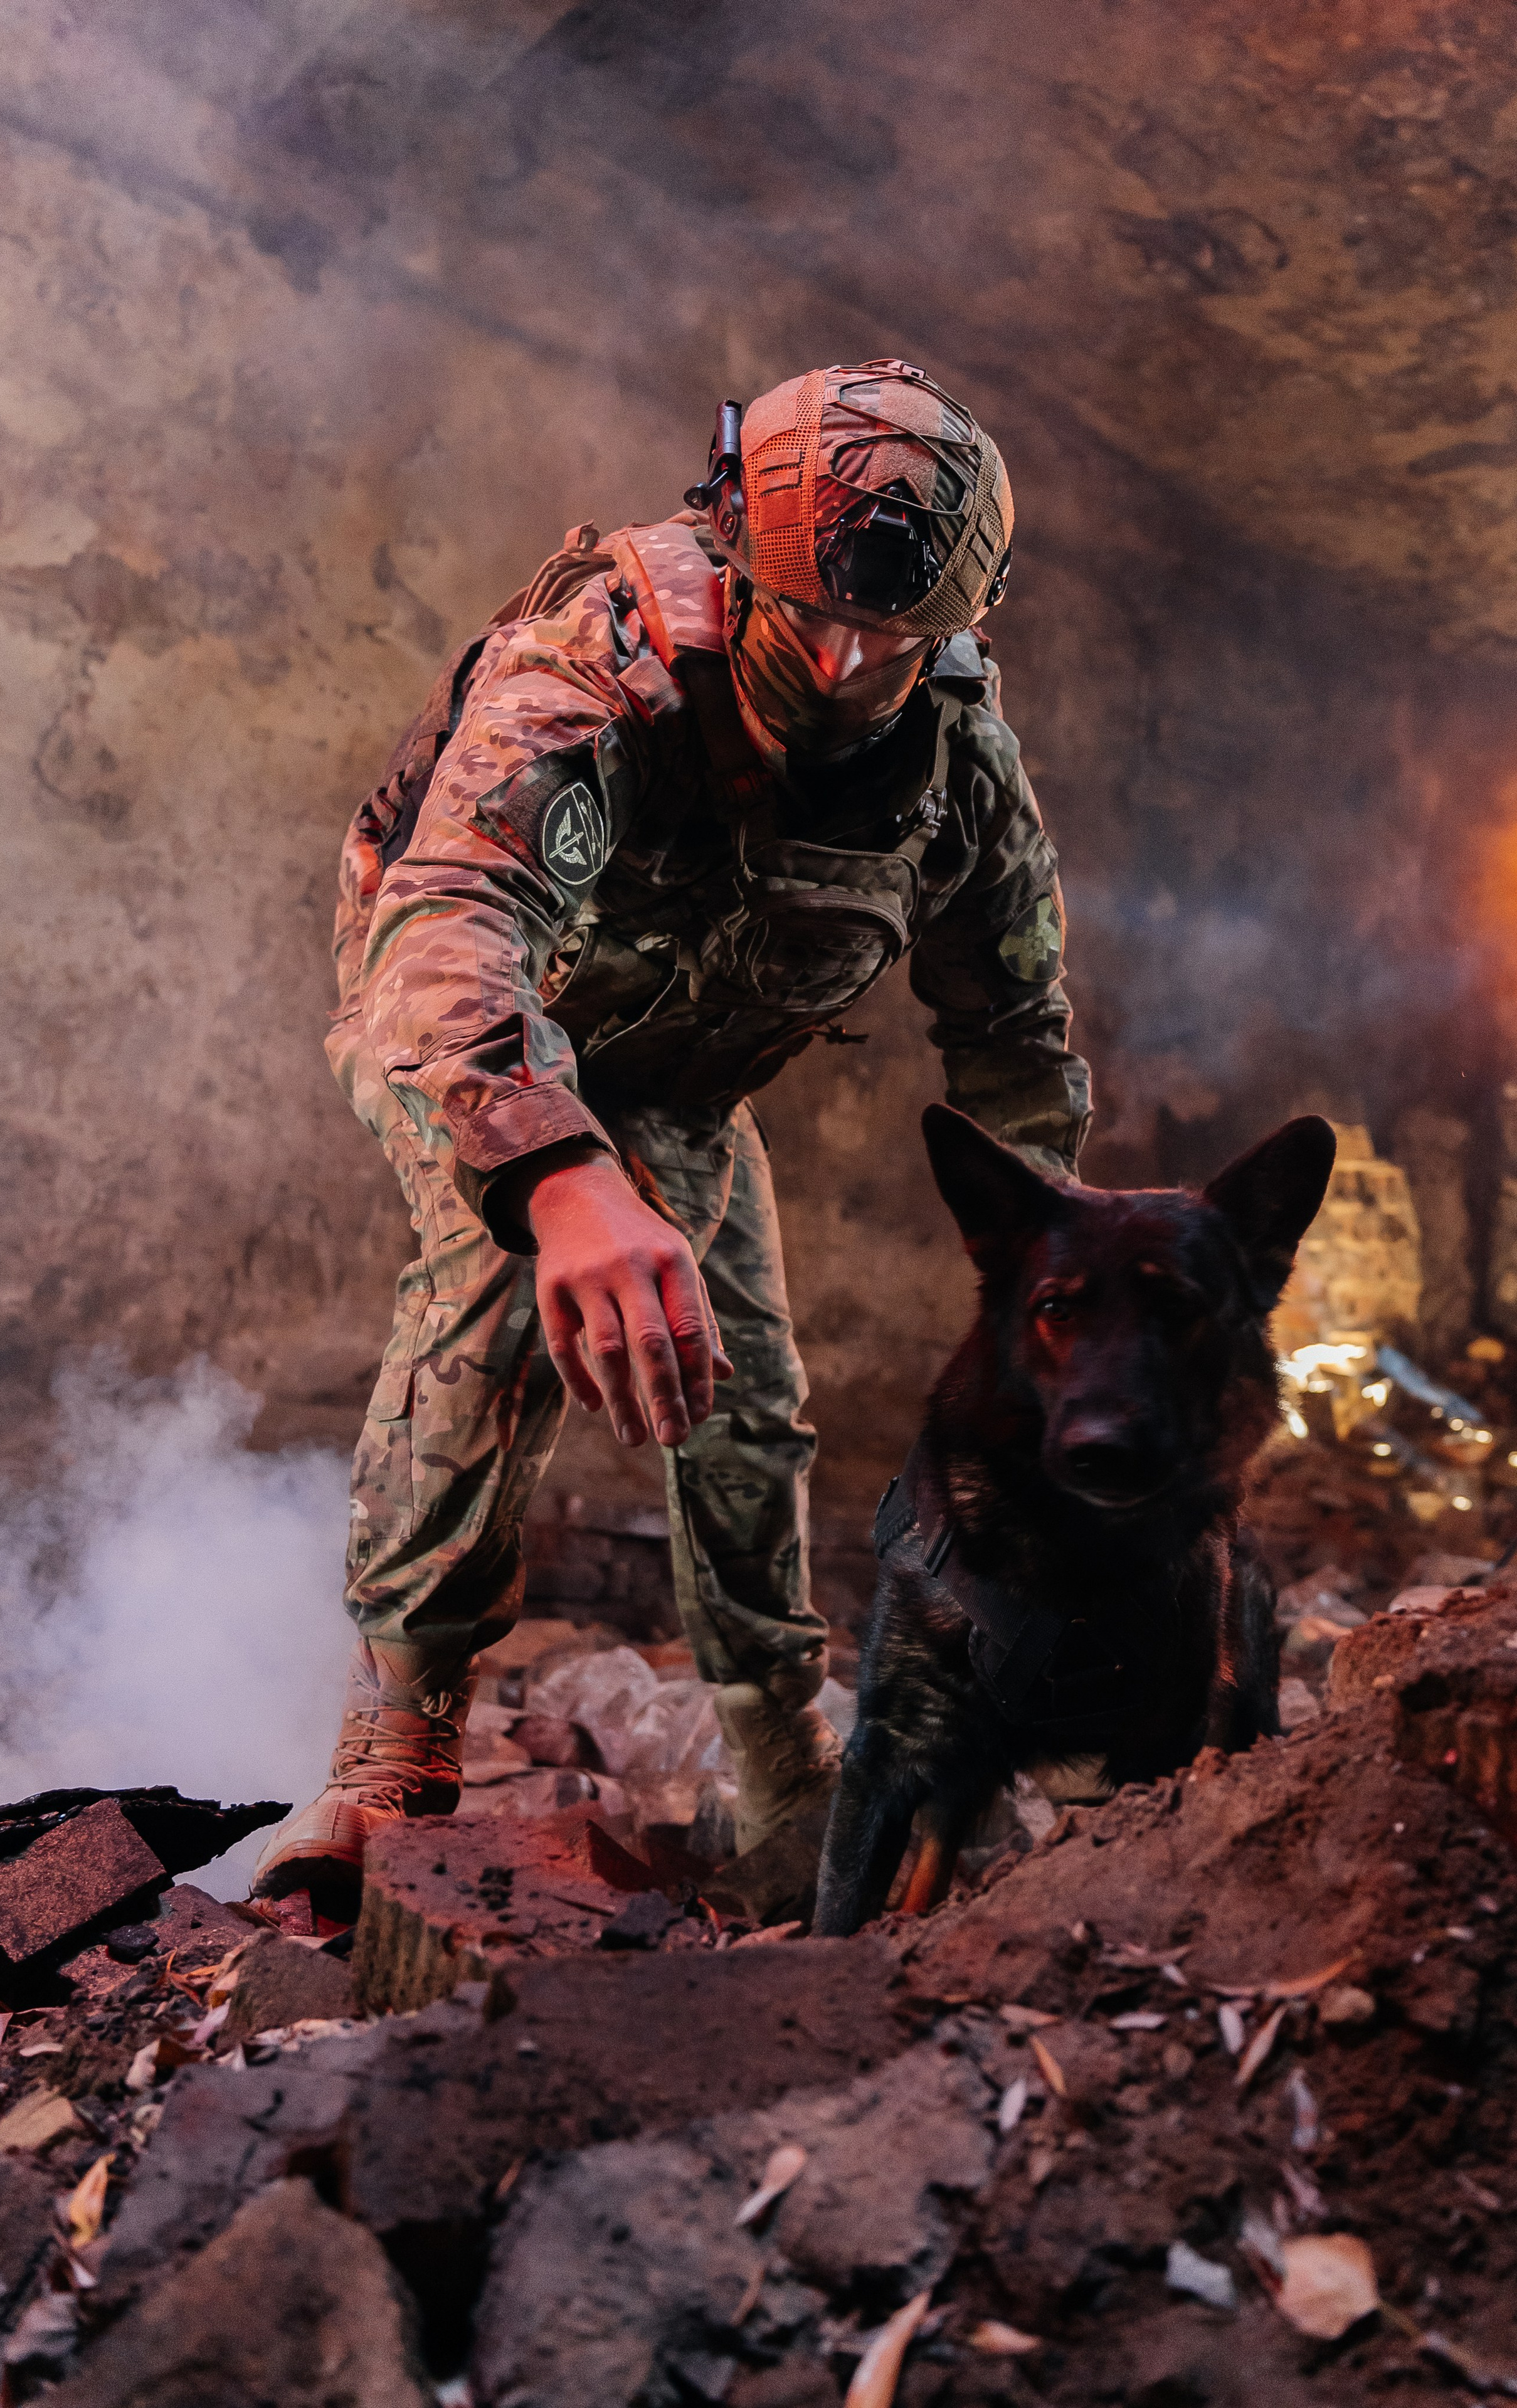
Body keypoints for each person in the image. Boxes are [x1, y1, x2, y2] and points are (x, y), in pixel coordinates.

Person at [253, 358, 1092, 1903]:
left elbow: (1013, 1042)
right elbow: (449, 928)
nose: (840, 663)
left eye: (890, 638)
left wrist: (1068, 1302)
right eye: (807, 616)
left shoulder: (955, 765)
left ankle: (780, 1761)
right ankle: (391, 1751)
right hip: (476, 1030)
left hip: (683, 1075)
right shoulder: (597, 664)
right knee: (509, 1294)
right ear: (734, 552)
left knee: (743, 1397)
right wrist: (563, 1175)